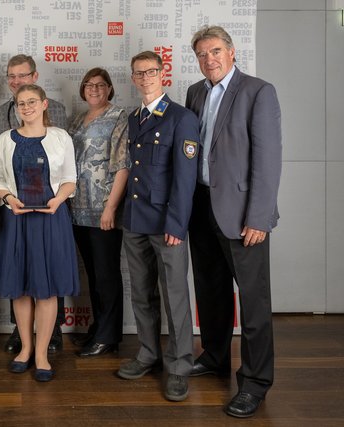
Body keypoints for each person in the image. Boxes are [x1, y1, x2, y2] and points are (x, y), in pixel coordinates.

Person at [185, 25, 282, 417]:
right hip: (201, 206)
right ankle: (215, 356)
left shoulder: (258, 91)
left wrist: (259, 216)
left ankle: (255, 382)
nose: (209, 59)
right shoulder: (194, 92)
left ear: (231, 51)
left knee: (254, 303)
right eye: (202, 54)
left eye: (215, 51)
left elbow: (268, 159)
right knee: (211, 291)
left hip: (243, 215)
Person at [115, 51, 199, 402]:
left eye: (152, 71)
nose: (146, 77)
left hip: (167, 224)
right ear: (133, 78)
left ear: (163, 73)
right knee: (142, 293)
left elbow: (185, 178)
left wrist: (177, 225)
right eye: (139, 73)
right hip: (135, 220)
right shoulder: (133, 118)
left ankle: (180, 365)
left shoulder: (182, 117)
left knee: (175, 296)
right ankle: (148, 353)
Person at [0, 84, 80, 382]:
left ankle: (42, 353)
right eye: (20, 103)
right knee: (20, 286)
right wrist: (7, 198)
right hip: (17, 219)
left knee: (47, 287)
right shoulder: (4, 140)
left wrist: (58, 200)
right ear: (15, 107)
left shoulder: (60, 138)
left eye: (31, 102)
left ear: (44, 104)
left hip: (51, 219)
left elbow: (70, 179)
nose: (26, 107)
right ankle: (25, 348)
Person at [0, 54, 68, 355]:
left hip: (50, 204)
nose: (16, 81)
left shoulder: (59, 116)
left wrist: (59, 197)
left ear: (35, 77)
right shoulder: (2, 113)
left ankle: (52, 333)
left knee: (48, 273)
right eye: (11, 76)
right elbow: (0, 168)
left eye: (22, 75)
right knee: (19, 273)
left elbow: (62, 163)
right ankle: (22, 335)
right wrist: (7, 197)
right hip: (16, 207)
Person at [67, 68, 128, 357]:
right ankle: (98, 327)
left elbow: (123, 165)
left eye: (101, 85)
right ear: (83, 88)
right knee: (93, 273)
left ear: (109, 89)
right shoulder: (77, 119)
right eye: (89, 84)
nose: (94, 89)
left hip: (104, 208)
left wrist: (111, 207)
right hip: (78, 208)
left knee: (107, 275)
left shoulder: (119, 117)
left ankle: (109, 336)